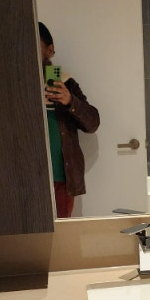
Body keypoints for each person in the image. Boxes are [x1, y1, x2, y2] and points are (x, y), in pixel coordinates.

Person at [39, 21, 100, 218]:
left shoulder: (66, 83)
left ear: (50, 50)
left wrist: (69, 101)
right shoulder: (16, 85)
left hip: (61, 179)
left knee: (63, 232)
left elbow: (93, 123)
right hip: (29, 179)